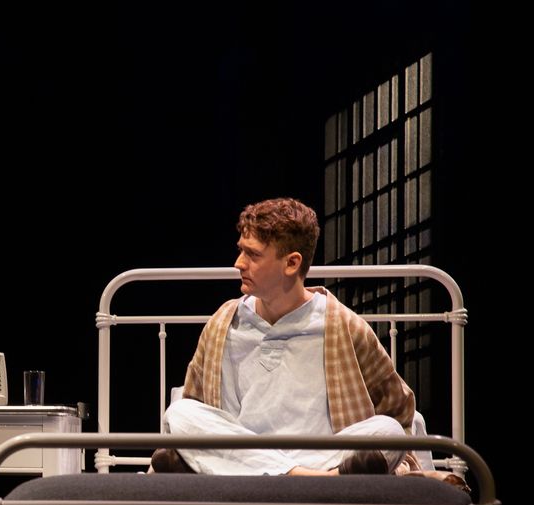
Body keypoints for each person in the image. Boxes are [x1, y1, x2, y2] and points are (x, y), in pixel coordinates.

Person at [160, 197, 418, 476]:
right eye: (241, 251)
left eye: (253, 255)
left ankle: (298, 475)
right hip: (244, 458)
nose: (239, 263)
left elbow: (397, 409)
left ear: (292, 263)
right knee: (180, 413)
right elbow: (197, 409)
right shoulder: (223, 323)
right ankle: (305, 479)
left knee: (388, 430)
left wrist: (404, 467)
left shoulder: (342, 324)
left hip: (320, 457)